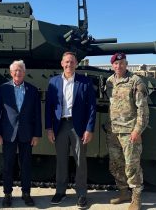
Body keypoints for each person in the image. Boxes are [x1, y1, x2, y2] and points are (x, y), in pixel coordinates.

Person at [45, 51, 96, 209]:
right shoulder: (53, 82)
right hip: (60, 125)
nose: (69, 64)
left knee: (80, 160)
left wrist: (89, 129)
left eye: (72, 62)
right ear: (62, 63)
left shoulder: (85, 82)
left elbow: (92, 108)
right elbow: (49, 107)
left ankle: (81, 194)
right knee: (61, 160)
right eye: (66, 62)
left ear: (76, 64)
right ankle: (61, 191)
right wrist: (49, 128)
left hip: (78, 126)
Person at [0, 60, 42, 207]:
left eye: (20, 70)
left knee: (26, 165)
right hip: (8, 133)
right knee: (8, 165)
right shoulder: (2, 89)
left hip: (27, 133)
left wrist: (36, 134)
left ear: (24, 72)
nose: (17, 73)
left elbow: (37, 115)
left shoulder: (32, 90)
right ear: (11, 72)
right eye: (15, 70)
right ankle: (7, 194)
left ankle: (26, 193)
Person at [105, 52, 149, 210]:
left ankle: (136, 198)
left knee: (132, 166)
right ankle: (123, 192)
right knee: (116, 165)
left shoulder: (135, 81)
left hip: (130, 132)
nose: (118, 66)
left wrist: (137, 130)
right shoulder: (110, 81)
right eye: (116, 64)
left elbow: (142, 110)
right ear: (112, 65)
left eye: (121, 63)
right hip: (113, 132)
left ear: (126, 63)